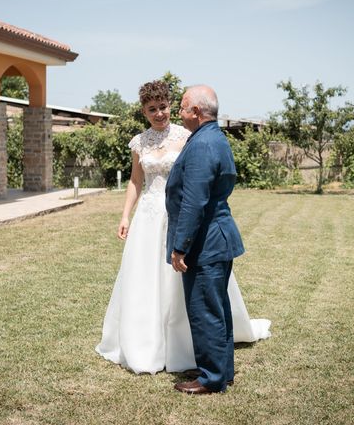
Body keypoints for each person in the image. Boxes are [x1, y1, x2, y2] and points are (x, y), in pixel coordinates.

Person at [96, 80, 269, 375]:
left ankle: (187, 345)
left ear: (171, 106)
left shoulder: (189, 135)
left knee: (187, 280)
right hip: (150, 218)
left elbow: (199, 178)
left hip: (181, 216)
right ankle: (149, 342)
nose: (160, 114)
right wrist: (126, 215)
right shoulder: (139, 142)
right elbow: (136, 181)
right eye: (152, 109)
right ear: (144, 112)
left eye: (163, 107)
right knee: (145, 279)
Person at [166, 85, 245, 394]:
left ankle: (211, 378)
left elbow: (194, 201)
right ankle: (222, 371)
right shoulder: (214, 137)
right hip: (217, 236)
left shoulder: (201, 144)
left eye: (183, 109)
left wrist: (180, 246)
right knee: (216, 307)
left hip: (206, 241)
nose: (180, 115)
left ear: (196, 112)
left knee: (204, 310)